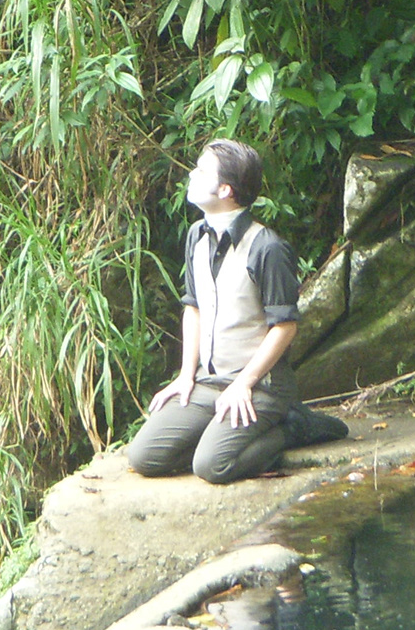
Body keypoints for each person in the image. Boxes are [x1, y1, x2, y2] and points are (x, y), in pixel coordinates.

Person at [128, 139, 301, 484]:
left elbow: (284, 327)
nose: (191, 174)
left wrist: (244, 384)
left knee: (211, 466)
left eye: (202, 170)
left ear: (226, 189)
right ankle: (218, 429)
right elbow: (193, 306)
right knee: (144, 456)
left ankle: (292, 428)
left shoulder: (268, 248)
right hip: (209, 382)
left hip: (259, 387)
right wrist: (185, 376)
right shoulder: (196, 235)